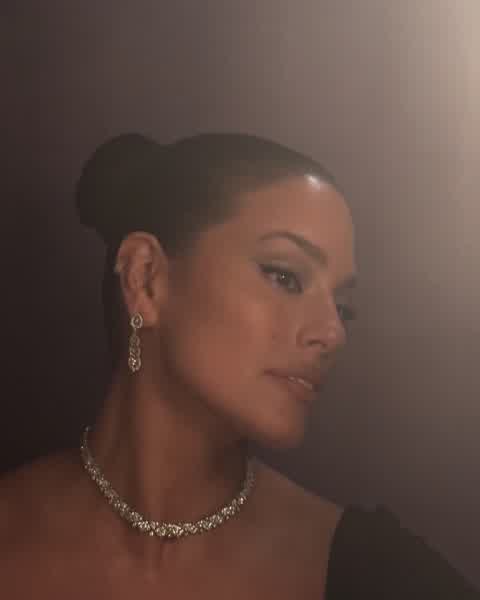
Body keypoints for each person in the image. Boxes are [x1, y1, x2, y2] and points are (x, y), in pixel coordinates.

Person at [0, 132, 478, 599]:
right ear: (146, 279)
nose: (333, 333)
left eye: (342, 307)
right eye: (285, 276)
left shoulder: (380, 575)